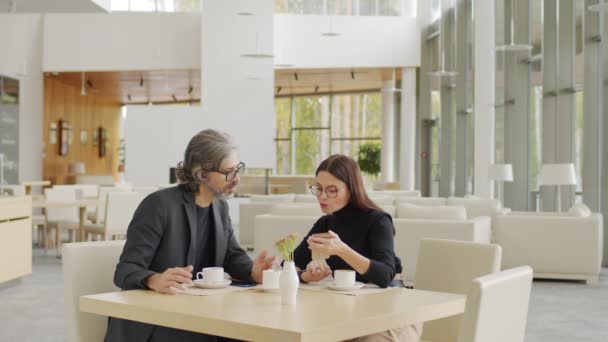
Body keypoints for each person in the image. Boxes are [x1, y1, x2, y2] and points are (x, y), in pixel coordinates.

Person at [105, 129, 275, 342]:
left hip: (200, 314)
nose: (237, 178)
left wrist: (253, 271)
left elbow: (232, 256)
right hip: (155, 322)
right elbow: (125, 270)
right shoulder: (159, 205)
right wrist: (153, 279)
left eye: (238, 169)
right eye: (228, 172)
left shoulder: (220, 207)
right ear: (202, 174)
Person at [293, 154, 422, 342]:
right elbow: (288, 264)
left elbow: (385, 275)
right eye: (319, 188)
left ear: (351, 190)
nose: (322, 196)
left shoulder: (378, 220)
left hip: (393, 310)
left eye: (332, 190)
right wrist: (305, 276)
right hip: (351, 309)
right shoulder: (326, 223)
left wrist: (342, 250)